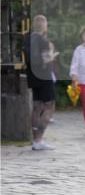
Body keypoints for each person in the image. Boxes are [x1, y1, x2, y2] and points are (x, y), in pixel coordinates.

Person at [25, 14, 57, 150]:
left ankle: (35, 140)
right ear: (44, 26)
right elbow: (43, 60)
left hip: (32, 77)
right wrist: (52, 54)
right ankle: (39, 139)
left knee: (37, 107)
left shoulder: (27, 38)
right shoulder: (43, 41)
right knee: (49, 107)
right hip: (43, 77)